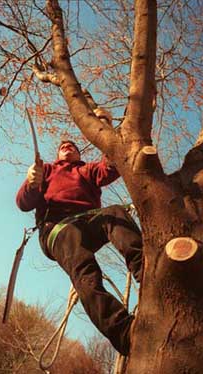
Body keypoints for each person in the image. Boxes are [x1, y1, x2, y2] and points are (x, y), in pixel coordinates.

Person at [16, 108, 143, 355]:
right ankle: (124, 332)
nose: (67, 146)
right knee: (85, 271)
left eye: (72, 145)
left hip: (88, 220)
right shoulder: (47, 170)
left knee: (115, 212)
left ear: (78, 153)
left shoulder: (87, 170)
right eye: (63, 146)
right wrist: (32, 182)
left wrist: (106, 125)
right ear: (58, 153)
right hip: (58, 229)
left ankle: (148, 271)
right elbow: (23, 203)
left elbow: (112, 165)